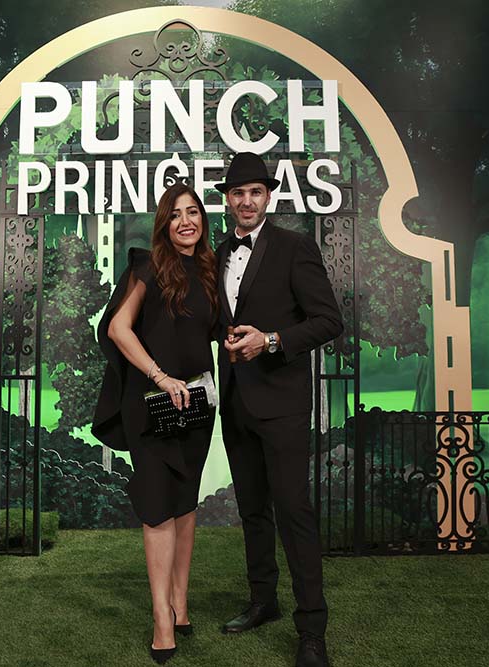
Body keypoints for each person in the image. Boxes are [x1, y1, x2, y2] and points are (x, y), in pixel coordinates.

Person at [214, 152, 343, 667]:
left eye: (255, 192)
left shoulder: (295, 247)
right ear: (227, 200)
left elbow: (328, 321)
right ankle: (262, 601)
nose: (246, 201)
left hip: (283, 405)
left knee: (293, 512)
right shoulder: (217, 253)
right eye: (238, 193)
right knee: (252, 511)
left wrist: (269, 340)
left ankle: (312, 630)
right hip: (235, 403)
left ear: (268, 196)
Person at [93, 182, 218, 665]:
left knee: (185, 504)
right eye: (176, 214)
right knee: (158, 509)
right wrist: (161, 377)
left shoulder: (208, 271)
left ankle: (180, 604)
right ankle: (161, 620)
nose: (186, 221)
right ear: (165, 224)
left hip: (196, 407)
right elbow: (117, 328)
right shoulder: (147, 267)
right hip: (150, 404)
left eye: (193, 212)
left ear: (203, 220)